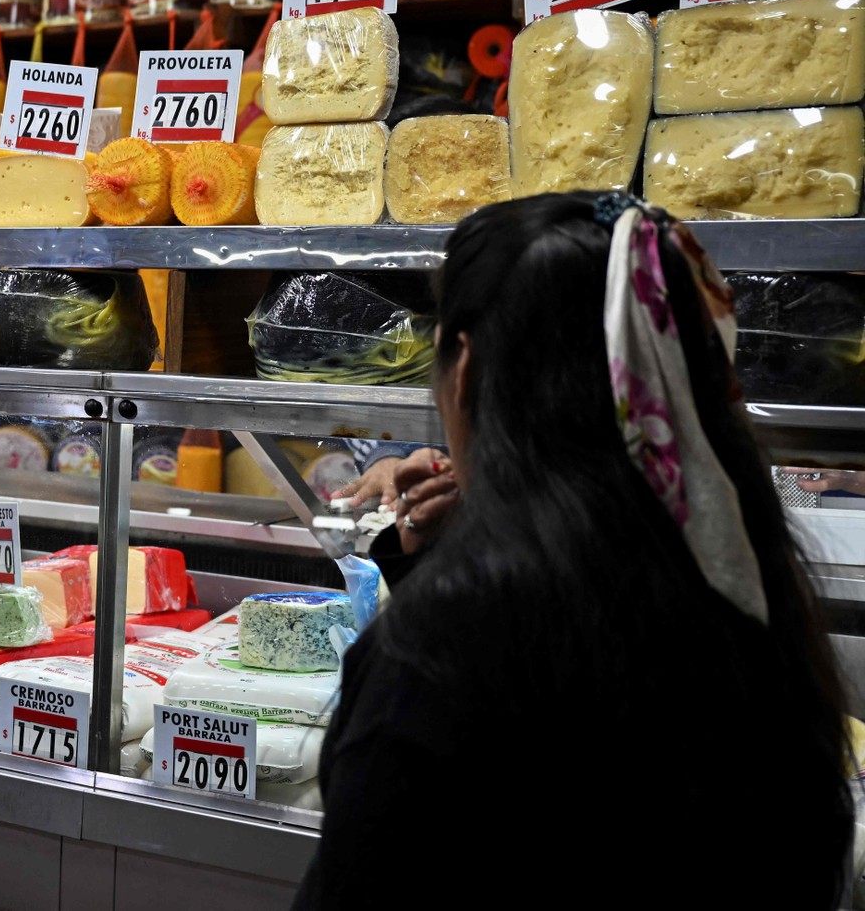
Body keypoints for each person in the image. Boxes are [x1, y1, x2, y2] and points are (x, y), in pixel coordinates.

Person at [295, 193, 854, 909]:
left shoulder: (438, 653)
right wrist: (440, 557)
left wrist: (451, 583)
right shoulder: (750, 591)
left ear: (464, 372)